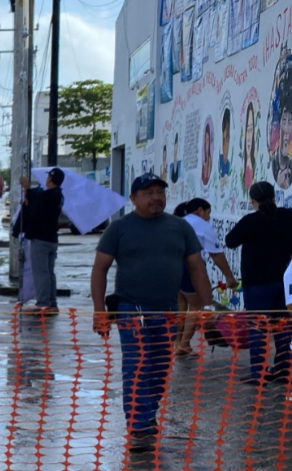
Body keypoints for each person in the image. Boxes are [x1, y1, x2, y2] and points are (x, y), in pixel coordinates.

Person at [92, 173, 209, 452]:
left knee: (159, 369)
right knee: (136, 368)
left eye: (160, 191)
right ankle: (139, 427)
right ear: (133, 199)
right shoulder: (119, 229)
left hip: (168, 311)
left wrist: (206, 306)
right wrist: (99, 311)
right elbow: (100, 269)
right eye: (148, 193)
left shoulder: (180, 228)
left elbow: (196, 267)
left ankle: (146, 416)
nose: (156, 197)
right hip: (131, 310)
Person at [225, 181, 292, 383]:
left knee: (258, 328)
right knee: (284, 327)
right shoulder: (288, 217)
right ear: (274, 196)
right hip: (285, 283)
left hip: (257, 284)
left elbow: (230, 241)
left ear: (252, 200)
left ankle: (259, 373)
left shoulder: (250, 221)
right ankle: (283, 370)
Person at [175, 198, 238, 356]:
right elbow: (216, 255)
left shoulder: (178, 222)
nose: (208, 217)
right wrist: (230, 277)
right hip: (190, 268)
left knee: (181, 305)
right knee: (196, 307)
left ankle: (177, 341)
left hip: (172, 268)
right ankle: (184, 345)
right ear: (200, 210)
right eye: (208, 213)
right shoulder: (203, 226)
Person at [19, 167, 65, 314]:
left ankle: (43, 304)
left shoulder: (49, 195)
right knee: (49, 272)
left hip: (41, 239)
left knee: (41, 273)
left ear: (50, 178)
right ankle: (52, 303)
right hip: (52, 239)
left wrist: (27, 189)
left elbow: (33, 210)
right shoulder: (58, 195)